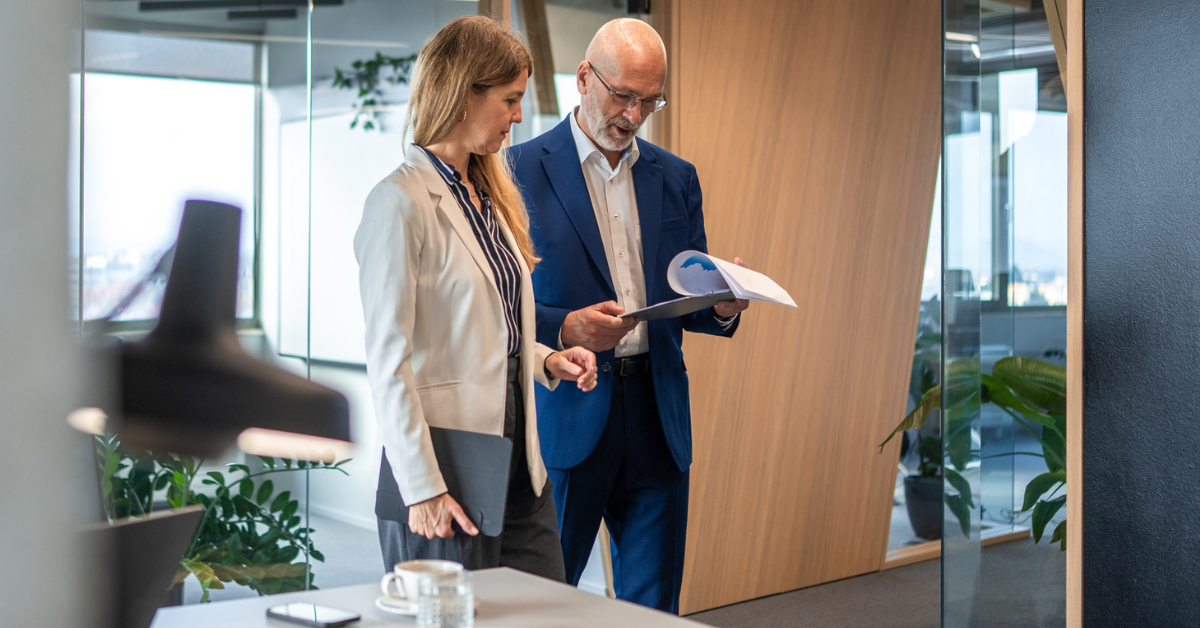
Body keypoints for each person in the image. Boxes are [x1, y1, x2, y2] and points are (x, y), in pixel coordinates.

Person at [509, 18, 750, 612]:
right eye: (623, 96)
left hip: (655, 421)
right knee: (542, 604)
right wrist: (565, 327)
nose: (635, 115)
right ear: (584, 78)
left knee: (653, 609)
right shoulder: (516, 172)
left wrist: (719, 305)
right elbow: (498, 306)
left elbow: (683, 301)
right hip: (567, 414)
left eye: (651, 100)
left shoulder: (677, 177)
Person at [354, 15, 597, 581]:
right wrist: (422, 489)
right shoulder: (399, 202)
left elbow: (489, 330)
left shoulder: (488, 199)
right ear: (466, 95)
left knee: (546, 611)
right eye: (510, 99)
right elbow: (390, 363)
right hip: (446, 470)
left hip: (517, 463)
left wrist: (546, 359)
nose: (518, 115)